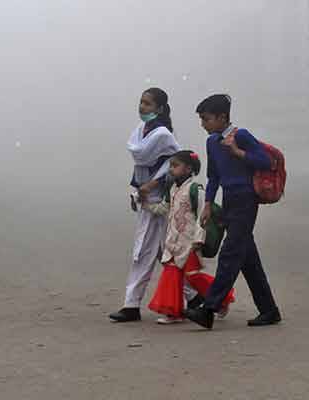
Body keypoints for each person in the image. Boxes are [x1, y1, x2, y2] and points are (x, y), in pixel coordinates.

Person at [185, 94, 281, 330]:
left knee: (230, 253)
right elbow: (213, 176)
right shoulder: (212, 142)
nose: (203, 124)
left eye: (206, 119)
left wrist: (237, 151)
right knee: (248, 259)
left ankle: (208, 309)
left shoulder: (241, 136)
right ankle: (269, 310)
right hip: (229, 200)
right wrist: (207, 204)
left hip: (246, 200)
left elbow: (265, 162)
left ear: (222, 117)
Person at [109, 88, 202, 323]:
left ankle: (132, 304)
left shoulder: (163, 135)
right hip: (146, 201)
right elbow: (139, 167)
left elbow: (175, 164)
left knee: (145, 253)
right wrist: (135, 191)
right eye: (141, 102)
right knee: (168, 253)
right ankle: (195, 298)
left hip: (161, 202)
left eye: (148, 104)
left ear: (159, 109)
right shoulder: (140, 131)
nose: (142, 107)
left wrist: (153, 185)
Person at [145, 150, 235, 324]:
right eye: (171, 166)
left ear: (188, 169)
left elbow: (203, 215)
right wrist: (145, 204)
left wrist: (198, 240)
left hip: (190, 241)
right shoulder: (172, 189)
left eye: (175, 166)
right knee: (171, 274)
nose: (171, 169)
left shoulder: (195, 189)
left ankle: (222, 298)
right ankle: (173, 312)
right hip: (173, 241)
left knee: (193, 275)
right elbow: (164, 209)